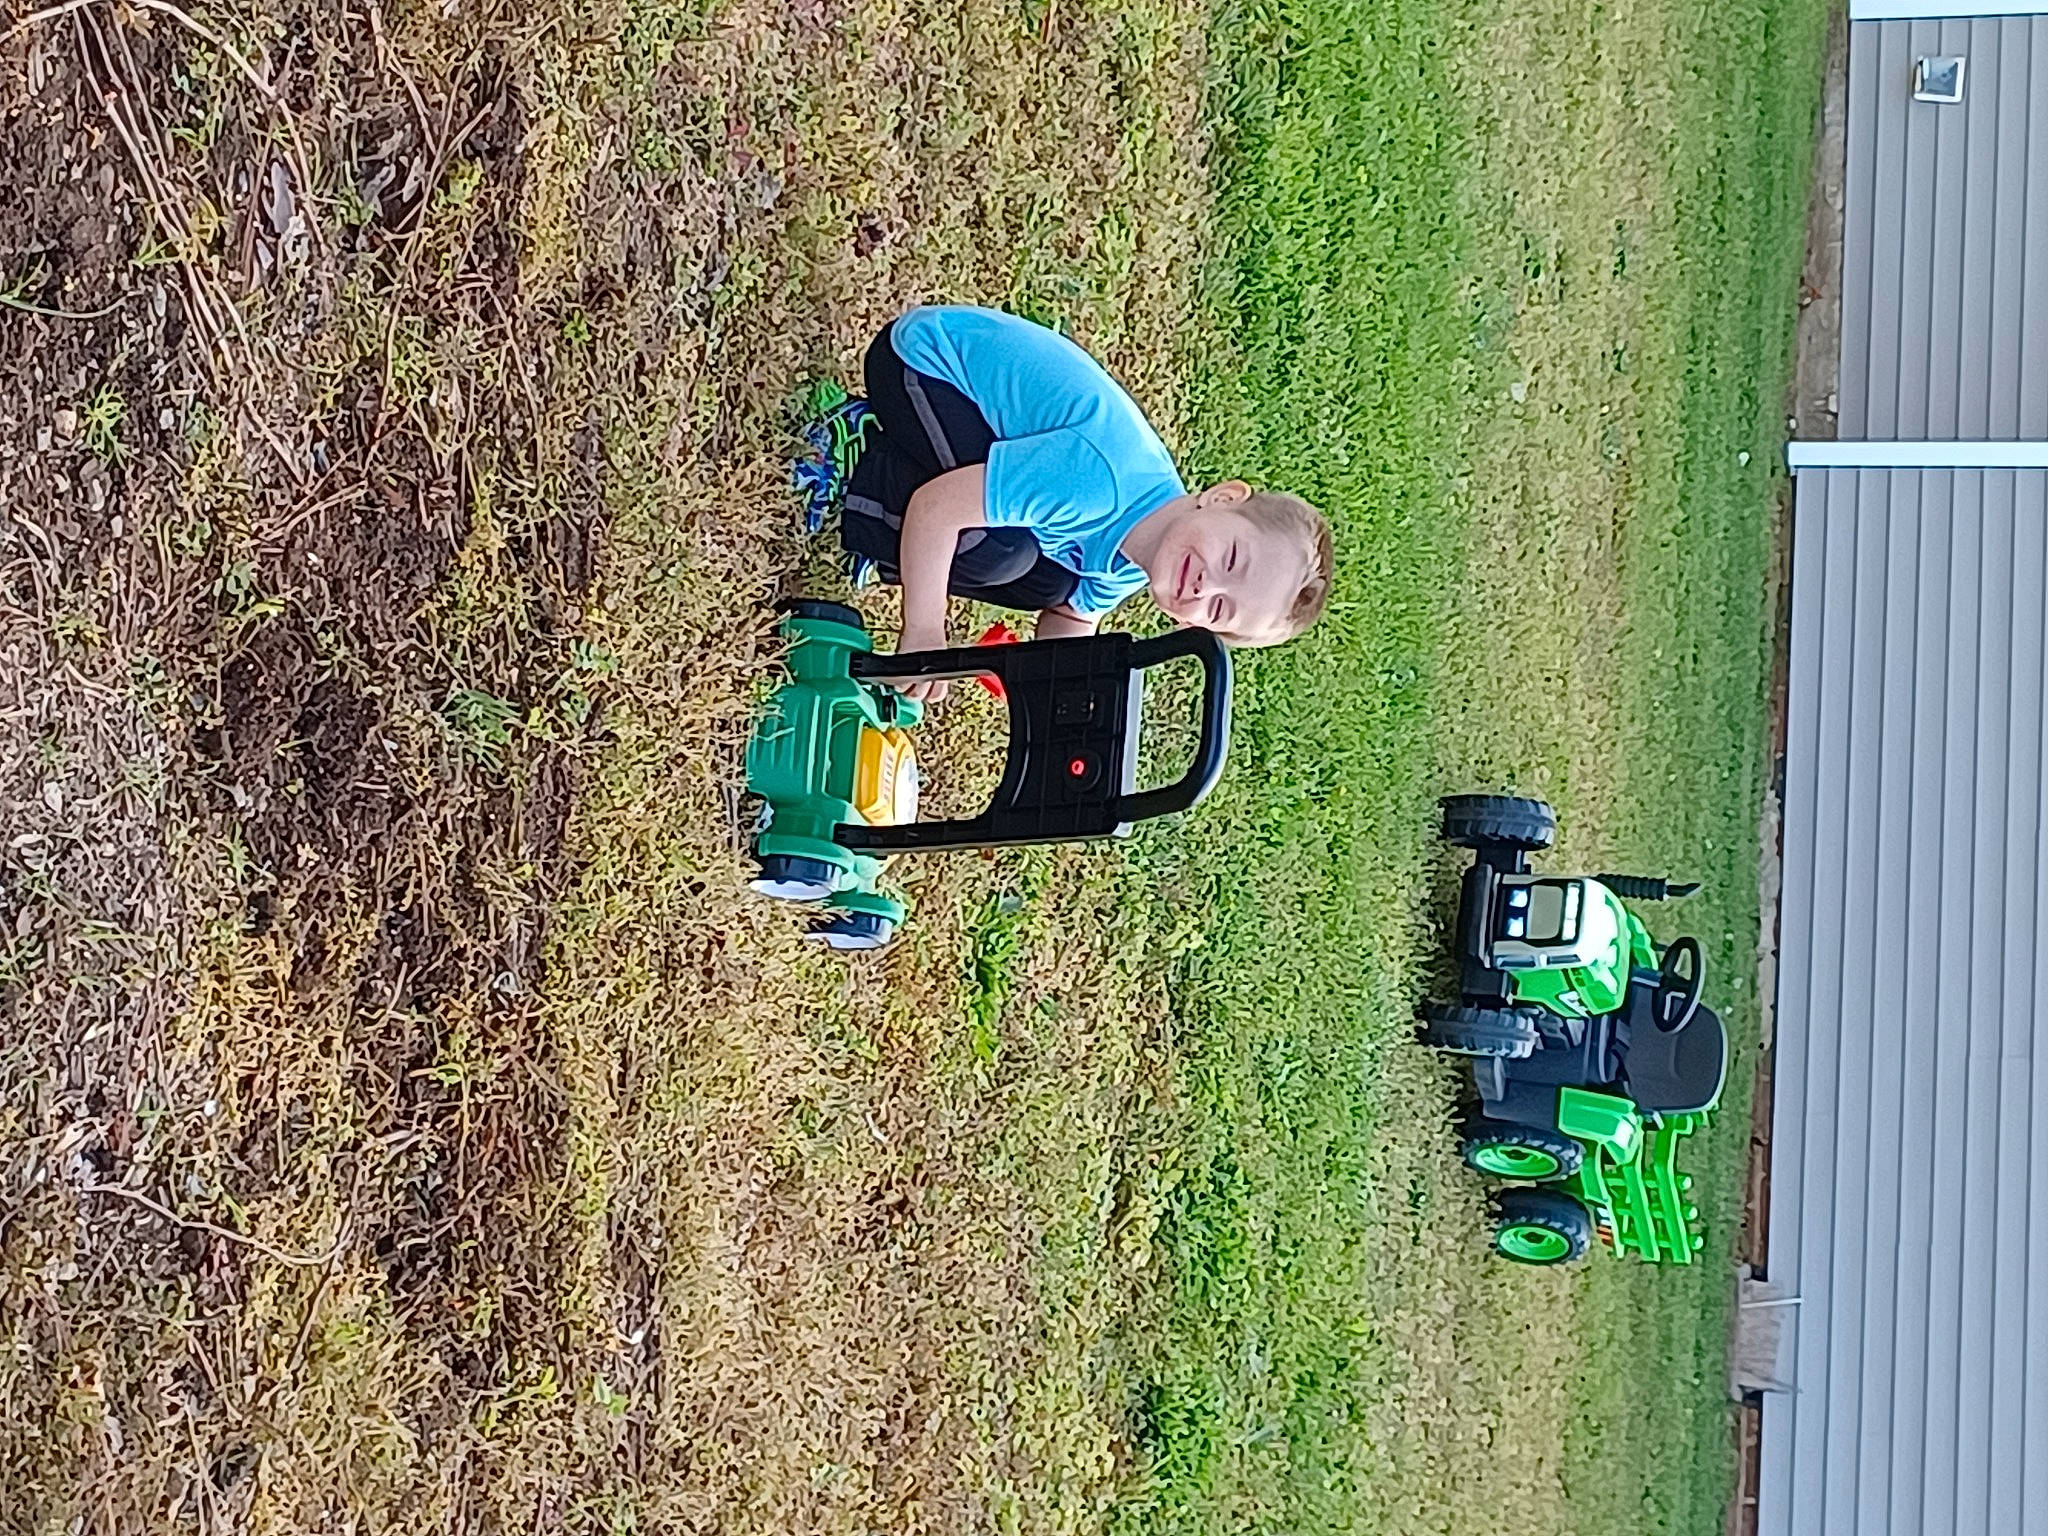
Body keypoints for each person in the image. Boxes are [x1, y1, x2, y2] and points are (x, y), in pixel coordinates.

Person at [792, 305, 1333, 700]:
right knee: (999, 551)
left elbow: (1070, 618)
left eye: (1218, 608)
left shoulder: (1134, 561)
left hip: (974, 426)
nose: (1204, 584)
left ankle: (882, 519)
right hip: (923, 365)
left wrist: (1060, 698)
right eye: (1232, 559)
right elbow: (939, 509)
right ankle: (860, 457)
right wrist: (926, 629)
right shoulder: (1098, 481)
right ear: (1221, 498)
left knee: (1052, 582)